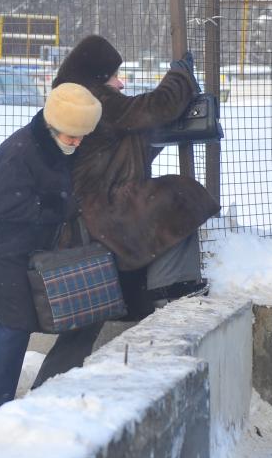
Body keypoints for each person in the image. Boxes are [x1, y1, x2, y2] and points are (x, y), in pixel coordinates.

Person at [0, 83, 103, 417]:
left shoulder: (52, 145)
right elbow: (8, 205)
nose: (77, 143)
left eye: (82, 136)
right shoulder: (19, 152)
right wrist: (59, 206)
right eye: (72, 137)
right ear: (53, 126)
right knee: (14, 327)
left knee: (0, 324)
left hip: (18, 250)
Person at [52, 35, 221, 318]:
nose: (120, 83)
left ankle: (168, 288)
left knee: (168, 201)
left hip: (96, 208)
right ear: (97, 77)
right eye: (114, 77)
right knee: (177, 197)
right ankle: (172, 291)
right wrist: (180, 75)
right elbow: (156, 106)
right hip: (101, 210)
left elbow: (124, 140)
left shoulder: (78, 99)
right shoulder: (93, 100)